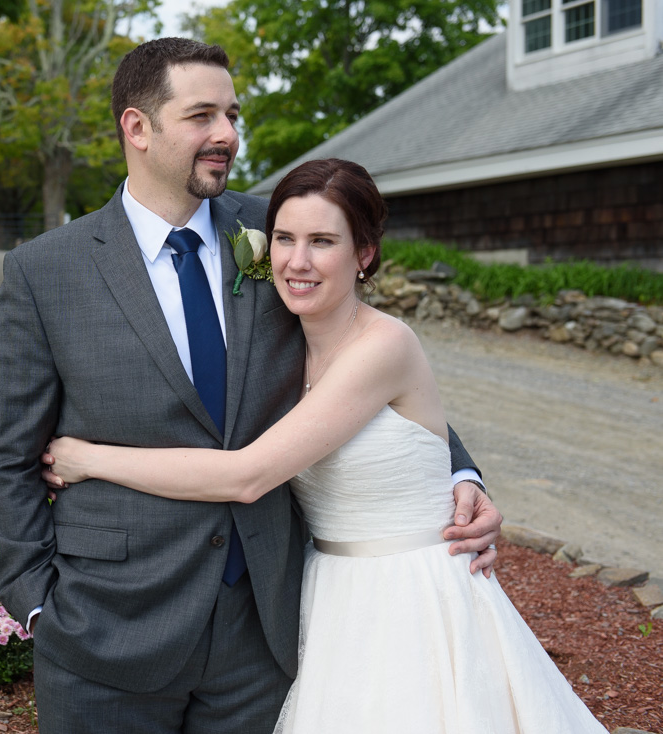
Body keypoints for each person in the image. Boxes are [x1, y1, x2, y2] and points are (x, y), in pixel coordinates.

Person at [0, 38, 501, 734]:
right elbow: (8, 457)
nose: (226, 134)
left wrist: (459, 471)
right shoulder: (47, 272)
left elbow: (365, 366)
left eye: (232, 113)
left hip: (266, 628)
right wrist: (39, 604)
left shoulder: (277, 235)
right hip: (105, 631)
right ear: (137, 127)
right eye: (201, 116)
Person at [43, 158, 607, 733]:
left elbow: (248, 474)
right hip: (328, 594)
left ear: (364, 254)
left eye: (322, 242)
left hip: (412, 600)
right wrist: (462, 477)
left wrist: (89, 458)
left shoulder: (384, 346)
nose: (297, 261)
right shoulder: (289, 333)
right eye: (285, 239)